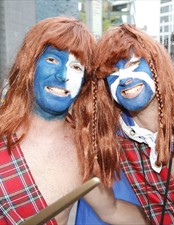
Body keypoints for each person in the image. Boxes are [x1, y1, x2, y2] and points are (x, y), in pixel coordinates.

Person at [0, 17, 148, 225]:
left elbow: (111, 210)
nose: (63, 76)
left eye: (77, 67)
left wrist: (172, 217)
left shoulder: (84, 149)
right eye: (52, 60)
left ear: (85, 83)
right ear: (30, 66)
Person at [76, 24, 174, 224]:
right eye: (113, 72)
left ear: (156, 65)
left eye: (135, 63)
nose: (125, 79)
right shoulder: (112, 138)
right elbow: (115, 211)